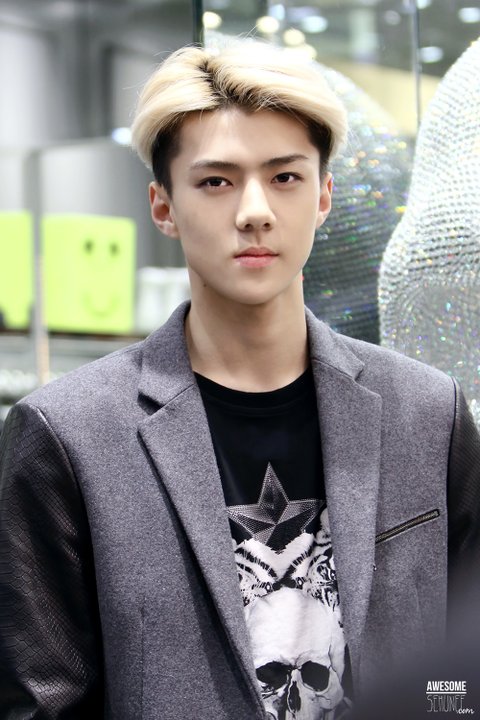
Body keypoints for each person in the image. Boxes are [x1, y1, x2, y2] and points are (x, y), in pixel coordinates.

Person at [0, 38, 479, 720]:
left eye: (285, 177)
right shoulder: (69, 435)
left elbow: (464, 667)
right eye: (216, 181)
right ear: (163, 206)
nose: (255, 210)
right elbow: (40, 700)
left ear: (324, 196)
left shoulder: (427, 413)